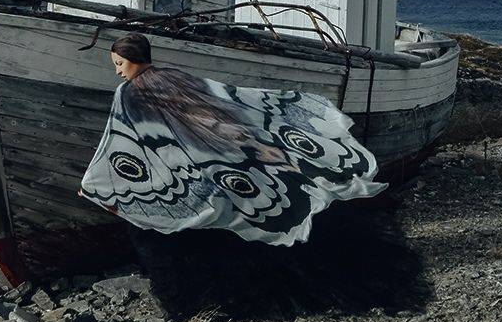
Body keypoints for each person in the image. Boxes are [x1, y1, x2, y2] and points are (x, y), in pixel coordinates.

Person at [77, 32, 389, 246]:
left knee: (224, 202)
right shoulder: (172, 75)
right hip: (223, 137)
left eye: (119, 63)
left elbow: (118, 140)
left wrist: (94, 184)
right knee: (264, 180)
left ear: (133, 57)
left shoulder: (129, 92)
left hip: (199, 148)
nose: (118, 71)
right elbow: (222, 97)